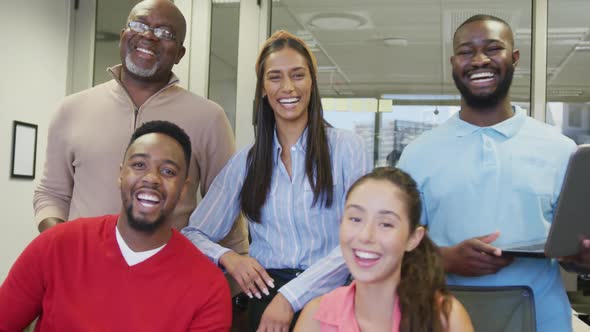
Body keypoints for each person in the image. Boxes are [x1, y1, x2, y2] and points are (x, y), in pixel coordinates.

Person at [397, 14, 578, 331]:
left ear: (515, 58)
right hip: (443, 318)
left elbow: (576, 248)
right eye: (467, 51)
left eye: (493, 48)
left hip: (540, 319)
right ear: (454, 63)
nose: (479, 60)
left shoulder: (561, 150)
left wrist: (582, 256)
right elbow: (392, 246)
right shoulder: (417, 153)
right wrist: (445, 259)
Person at [182, 30, 370, 331]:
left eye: (298, 75)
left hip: (332, 296)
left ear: (312, 82)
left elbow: (361, 238)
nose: (287, 87)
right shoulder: (247, 162)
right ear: (262, 89)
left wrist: (290, 298)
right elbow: (192, 234)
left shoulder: (349, 148)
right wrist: (230, 258)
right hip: (265, 300)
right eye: (275, 77)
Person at [33, 0, 247, 255]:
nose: (148, 36)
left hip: (167, 276)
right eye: (139, 25)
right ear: (123, 36)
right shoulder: (70, 110)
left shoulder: (209, 118)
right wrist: (61, 246)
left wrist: (237, 270)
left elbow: (226, 208)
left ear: (180, 53)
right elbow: (51, 194)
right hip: (82, 268)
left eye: (165, 33)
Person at [0, 121, 231, 331]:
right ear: (121, 174)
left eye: (168, 171)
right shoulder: (56, 245)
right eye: (139, 164)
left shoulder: (208, 287)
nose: (151, 178)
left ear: (183, 189)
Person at [294, 167, 473, 332]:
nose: (365, 236)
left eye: (386, 224)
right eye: (355, 219)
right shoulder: (315, 317)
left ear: (413, 238)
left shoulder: (445, 317)